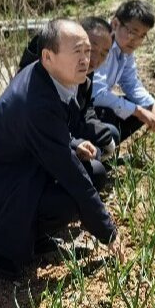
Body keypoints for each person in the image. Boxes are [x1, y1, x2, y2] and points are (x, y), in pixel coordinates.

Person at [0, 19, 119, 279]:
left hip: (15, 173)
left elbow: (47, 132)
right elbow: (71, 174)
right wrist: (108, 232)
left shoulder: (47, 76)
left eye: (88, 51)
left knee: (94, 172)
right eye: (77, 52)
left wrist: (71, 143)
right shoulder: (36, 102)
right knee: (73, 194)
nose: (86, 60)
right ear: (48, 56)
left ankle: (30, 237)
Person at [18, 15, 118, 188]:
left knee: (110, 133)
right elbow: (49, 125)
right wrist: (76, 144)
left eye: (104, 53)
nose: (94, 58)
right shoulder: (42, 78)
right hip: (41, 147)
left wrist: (100, 135)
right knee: (96, 173)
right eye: (90, 49)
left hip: (65, 134)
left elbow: (85, 108)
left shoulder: (83, 68)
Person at [91, 0, 155, 142]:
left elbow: (130, 82)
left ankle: (107, 146)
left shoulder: (125, 49)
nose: (136, 41)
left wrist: (151, 105)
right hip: (79, 109)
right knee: (112, 115)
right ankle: (99, 148)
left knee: (143, 106)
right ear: (115, 24)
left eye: (142, 36)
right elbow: (96, 94)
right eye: (132, 33)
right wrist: (138, 111)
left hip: (95, 105)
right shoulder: (100, 44)